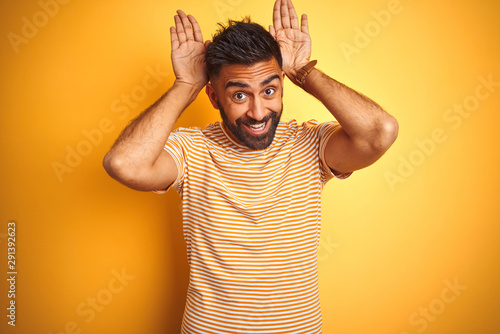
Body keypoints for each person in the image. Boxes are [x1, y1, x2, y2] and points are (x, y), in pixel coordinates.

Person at [103, 0, 398, 332]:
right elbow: (124, 164)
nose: (259, 112)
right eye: (240, 96)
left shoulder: (311, 143)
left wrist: (304, 70)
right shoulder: (190, 149)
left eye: (269, 91)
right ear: (214, 98)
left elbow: (379, 132)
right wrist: (185, 86)